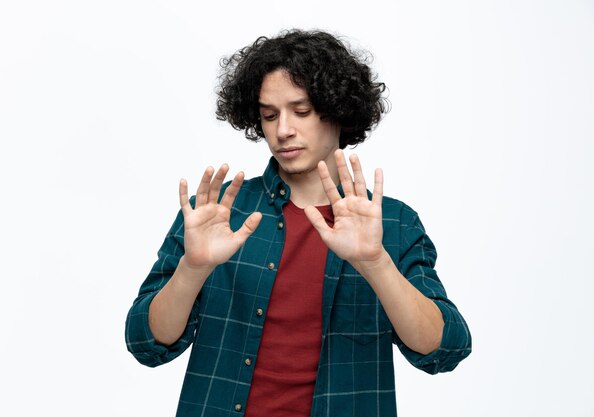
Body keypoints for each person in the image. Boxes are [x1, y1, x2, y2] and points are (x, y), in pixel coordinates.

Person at [125, 29, 471, 417]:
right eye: (269, 115)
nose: (282, 130)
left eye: (301, 111)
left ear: (339, 109)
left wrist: (376, 263)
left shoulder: (394, 223)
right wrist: (192, 269)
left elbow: (446, 349)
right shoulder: (217, 214)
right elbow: (145, 343)